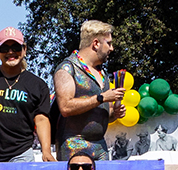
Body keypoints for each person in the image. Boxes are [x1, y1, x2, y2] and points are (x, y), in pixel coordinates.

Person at [0, 27, 54, 163]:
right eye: (4, 48)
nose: (10, 52)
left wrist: (46, 152)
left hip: (20, 154)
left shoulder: (37, 84)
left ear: (24, 49)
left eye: (16, 47)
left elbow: (41, 120)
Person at [51, 20, 124, 161]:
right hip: (74, 146)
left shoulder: (102, 74)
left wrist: (114, 113)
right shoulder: (68, 68)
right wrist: (100, 98)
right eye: (108, 43)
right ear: (96, 44)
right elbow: (65, 107)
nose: (112, 48)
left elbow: (103, 114)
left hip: (100, 146)